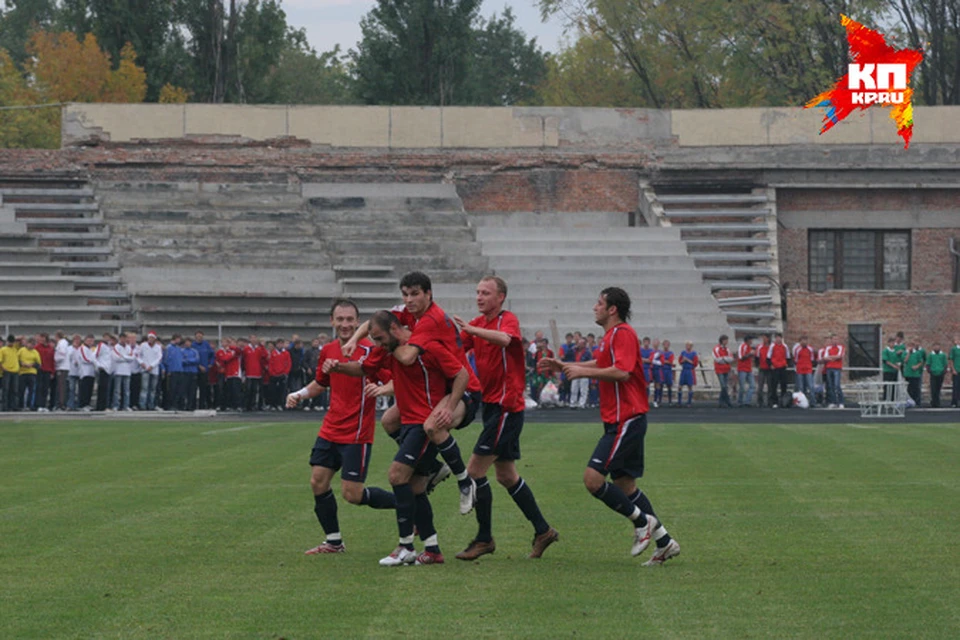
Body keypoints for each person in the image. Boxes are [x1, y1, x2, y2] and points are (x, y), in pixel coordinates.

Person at [539, 287, 679, 565]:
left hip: (626, 418)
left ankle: (642, 523)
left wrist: (582, 371)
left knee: (593, 480)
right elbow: (603, 363)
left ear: (612, 309)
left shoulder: (623, 333)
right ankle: (664, 543)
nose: (595, 307)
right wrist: (565, 365)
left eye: (599, 303)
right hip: (622, 419)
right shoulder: (611, 337)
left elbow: (622, 372)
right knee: (626, 485)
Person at [330, 310, 471, 566]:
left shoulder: (427, 345)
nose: (377, 345)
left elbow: (462, 374)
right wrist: (338, 366)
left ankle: (406, 546)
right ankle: (432, 550)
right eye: (374, 340)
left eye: (380, 338)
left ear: (395, 329)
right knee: (416, 486)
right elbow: (363, 368)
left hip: (425, 424)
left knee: (397, 475)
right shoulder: (388, 350)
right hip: (408, 421)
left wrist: (449, 407)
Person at [342, 271, 482, 514]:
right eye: (405, 294)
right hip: (440, 387)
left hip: (463, 388)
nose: (409, 300)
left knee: (433, 426)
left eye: (415, 294)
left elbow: (407, 357)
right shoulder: (411, 314)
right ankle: (433, 468)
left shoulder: (431, 320)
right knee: (389, 421)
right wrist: (355, 339)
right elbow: (375, 321)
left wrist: (386, 342)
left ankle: (465, 481)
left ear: (429, 294)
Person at [451, 276, 558, 561]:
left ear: (501, 298)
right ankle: (543, 531)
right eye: (477, 292)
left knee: (474, 472)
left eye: (486, 293)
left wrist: (473, 329)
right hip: (492, 407)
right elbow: (453, 348)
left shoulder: (506, 320)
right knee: (507, 475)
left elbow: (506, 339)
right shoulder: (478, 324)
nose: (479, 297)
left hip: (506, 406)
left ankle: (484, 539)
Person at [287, 299, 397, 554]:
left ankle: (407, 504)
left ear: (358, 322)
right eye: (340, 319)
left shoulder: (372, 350)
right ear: (332, 321)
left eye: (350, 320)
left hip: (356, 433)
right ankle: (334, 541)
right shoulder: (327, 350)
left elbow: (394, 381)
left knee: (353, 494)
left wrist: (381, 389)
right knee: (317, 482)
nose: (345, 324)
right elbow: (321, 383)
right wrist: (299, 393)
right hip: (330, 428)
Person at [138, 332, 163, 410]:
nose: (150, 339)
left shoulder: (158, 347)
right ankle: (142, 405)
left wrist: (152, 365)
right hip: (145, 369)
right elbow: (138, 355)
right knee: (144, 388)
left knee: (153, 389)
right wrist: (141, 363)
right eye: (149, 338)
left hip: (154, 370)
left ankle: (151, 405)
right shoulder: (143, 345)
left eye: (152, 338)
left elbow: (159, 358)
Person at [112, 332, 136, 411]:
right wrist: (127, 358)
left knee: (126, 391)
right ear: (119, 339)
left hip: (127, 371)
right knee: (117, 390)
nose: (123, 340)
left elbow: (132, 358)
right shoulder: (116, 347)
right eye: (122, 338)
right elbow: (116, 358)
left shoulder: (128, 347)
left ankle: (126, 406)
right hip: (118, 371)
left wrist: (123, 356)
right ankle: (116, 405)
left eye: (124, 338)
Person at [216, 338, 242, 411]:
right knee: (228, 390)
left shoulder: (235, 351)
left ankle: (238, 405)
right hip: (228, 373)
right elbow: (223, 359)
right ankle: (229, 405)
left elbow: (228, 357)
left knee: (236, 390)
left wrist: (230, 348)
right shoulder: (224, 351)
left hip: (236, 373)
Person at [792, 336, 817, 407]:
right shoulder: (797, 349)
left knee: (811, 386)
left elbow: (812, 359)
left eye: (805, 340)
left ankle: (812, 402)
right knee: (801, 387)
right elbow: (795, 360)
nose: (804, 342)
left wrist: (809, 366)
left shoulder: (810, 349)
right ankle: (802, 402)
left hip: (808, 369)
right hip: (800, 370)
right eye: (803, 341)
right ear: (800, 342)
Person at [17, 337, 41, 411]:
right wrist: (22, 364)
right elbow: (17, 360)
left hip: (32, 373)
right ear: (27, 344)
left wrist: (32, 364)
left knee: (31, 390)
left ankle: (29, 405)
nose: (32, 346)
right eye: (31, 344)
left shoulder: (35, 352)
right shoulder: (21, 350)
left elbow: (39, 364)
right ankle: (20, 405)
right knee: (21, 390)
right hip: (23, 372)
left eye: (33, 345)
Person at [767, 333, 790, 408]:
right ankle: (774, 402)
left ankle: (783, 401)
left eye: (779, 338)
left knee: (784, 385)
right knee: (774, 385)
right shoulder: (772, 346)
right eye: (777, 338)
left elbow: (788, 356)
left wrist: (787, 363)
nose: (778, 339)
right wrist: (771, 365)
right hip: (775, 368)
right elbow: (768, 357)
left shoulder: (785, 346)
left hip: (782, 367)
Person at [822, 334, 845, 408]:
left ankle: (841, 402)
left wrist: (830, 357)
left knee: (837, 385)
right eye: (834, 339)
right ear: (831, 340)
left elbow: (840, 356)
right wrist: (834, 357)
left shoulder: (841, 347)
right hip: (829, 368)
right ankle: (833, 402)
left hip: (837, 368)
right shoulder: (828, 348)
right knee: (830, 385)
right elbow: (825, 357)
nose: (835, 341)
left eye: (836, 339)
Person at [194, 331, 215, 410]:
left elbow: (212, 355)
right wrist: (199, 366)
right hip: (195, 370)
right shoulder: (193, 345)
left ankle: (202, 405)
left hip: (205, 371)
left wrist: (210, 364)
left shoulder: (206, 345)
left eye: (201, 336)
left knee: (204, 389)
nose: (199, 337)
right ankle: (193, 405)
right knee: (194, 389)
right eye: (198, 336)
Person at [268, 338, 292, 410]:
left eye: (281, 344)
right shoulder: (273, 353)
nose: (280, 345)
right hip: (274, 375)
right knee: (273, 391)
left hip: (282, 375)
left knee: (281, 391)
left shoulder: (286, 353)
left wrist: (285, 373)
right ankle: (273, 404)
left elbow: (288, 364)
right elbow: (270, 364)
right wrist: (272, 373)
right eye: (279, 344)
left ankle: (280, 404)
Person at [569, 338, 592, 409]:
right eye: (578, 343)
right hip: (575, 371)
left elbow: (590, 362)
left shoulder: (587, 353)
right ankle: (573, 403)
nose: (579, 345)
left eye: (581, 344)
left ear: (584, 345)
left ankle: (582, 403)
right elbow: (567, 355)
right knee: (574, 388)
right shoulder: (574, 351)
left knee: (583, 389)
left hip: (583, 371)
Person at [76, 335, 97, 410]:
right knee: (84, 389)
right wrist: (94, 362)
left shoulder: (91, 349)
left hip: (91, 372)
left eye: (92, 341)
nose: (90, 342)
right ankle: (82, 405)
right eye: (89, 340)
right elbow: (85, 359)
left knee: (89, 389)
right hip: (84, 372)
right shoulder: (82, 348)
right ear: (85, 340)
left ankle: (87, 403)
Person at [712, 335, 734, 408]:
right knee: (723, 386)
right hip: (719, 369)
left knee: (724, 386)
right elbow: (717, 359)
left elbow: (731, 358)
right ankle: (727, 401)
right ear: (722, 340)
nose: (727, 342)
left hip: (726, 369)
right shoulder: (716, 348)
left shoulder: (727, 349)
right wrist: (725, 359)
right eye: (726, 340)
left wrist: (724, 359)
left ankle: (721, 402)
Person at [1, 335, 21, 411]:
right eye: (10, 342)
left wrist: (17, 339)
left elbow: (21, 340)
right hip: (7, 371)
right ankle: (5, 406)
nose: (11, 344)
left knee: (14, 390)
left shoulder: (15, 349)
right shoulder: (3, 350)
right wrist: (3, 369)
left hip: (15, 371)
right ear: (7, 342)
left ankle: (13, 406)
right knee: (6, 389)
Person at [35, 334, 55, 412]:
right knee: (39, 388)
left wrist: (52, 372)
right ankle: (39, 405)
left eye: (43, 338)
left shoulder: (50, 348)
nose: (41, 340)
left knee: (45, 389)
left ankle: (43, 405)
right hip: (40, 370)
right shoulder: (37, 347)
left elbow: (52, 360)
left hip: (48, 370)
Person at [903, 340, 925, 406]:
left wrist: (916, 366)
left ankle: (917, 402)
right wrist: (909, 353)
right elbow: (905, 361)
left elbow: (921, 362)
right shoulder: (905, 353)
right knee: (909, 388)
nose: (911, 348)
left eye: (912, 346)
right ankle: (909, 402)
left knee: (916, 388)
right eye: (909, 346)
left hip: (915, 374)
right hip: (908, 373)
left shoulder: (917, 353)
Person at [926, 343, 947, 408]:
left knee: (938, 388)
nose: (936, 348)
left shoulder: (943, 355)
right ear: (933, 347)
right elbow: (928, 364)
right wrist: (930, 371)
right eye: (935, 346)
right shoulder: (930, 355)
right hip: (933, 373)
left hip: (940, 373)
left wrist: (943, 371)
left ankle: (937, 402)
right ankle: (933, 402)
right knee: (933, 388)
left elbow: (945, 364)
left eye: (938, 346)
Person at [736, 336, 756, 408]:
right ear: (748, 340)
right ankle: (740, 401)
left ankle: (747, 401)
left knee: (753, 385)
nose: (752, 342)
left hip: (748, 369)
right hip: (742, 369)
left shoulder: (749, 347)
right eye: (751, 340)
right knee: (742, 386)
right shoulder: (743, 346)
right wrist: (749, 354)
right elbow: (741, 357)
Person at [181, 337, 200, 410]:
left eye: (189, 342)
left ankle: (191, 406)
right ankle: (184, 405)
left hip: (193, 373)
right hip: (185, 373)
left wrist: (187, 361)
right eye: (186, 342)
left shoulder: (194, 351)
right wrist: (190, 361)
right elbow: (181, 361)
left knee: (192, 390)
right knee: (184, 390)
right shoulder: (182, 351)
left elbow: (197, 360)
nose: (187, 343)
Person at [881, 336, 902, 402]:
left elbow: (898, 360)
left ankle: (893, 400)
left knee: (894, 386)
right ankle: (886, 400)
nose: (893, 344)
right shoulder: (885, 351)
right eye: (891, 343)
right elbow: (886, 361)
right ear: (888, 343)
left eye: (893, 343)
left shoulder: (895, 351)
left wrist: (898, 365)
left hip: (894, 372)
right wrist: (893, 366)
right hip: (887, 371)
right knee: (887, 386)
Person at [54, 332, 70, 411]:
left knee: (61, 387)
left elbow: (61, 354)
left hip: (61, 367)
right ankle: (61, 403)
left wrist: (55, 360)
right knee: (61, 386)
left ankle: (61, 404)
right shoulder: (64, 343)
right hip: (64, 367)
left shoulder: (61, 343)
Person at [659, 340, 676, 406]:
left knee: (669, 386)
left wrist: (664, 361)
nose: (666, 346)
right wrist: (665, 361)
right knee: (660, 386)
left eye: (667, 344)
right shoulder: (660, 353)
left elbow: (670, 362)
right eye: (664, 344)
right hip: (662, 370)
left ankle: (670, 401)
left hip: (668, 370)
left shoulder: (671, 353)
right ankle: (659, 400)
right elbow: (660, 361)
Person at [950, 337, 960, 408]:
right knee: (956, 387)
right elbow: (951, 359)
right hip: (956, 370)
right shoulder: (954, 349)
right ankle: (954, 402)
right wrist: (953, 369)